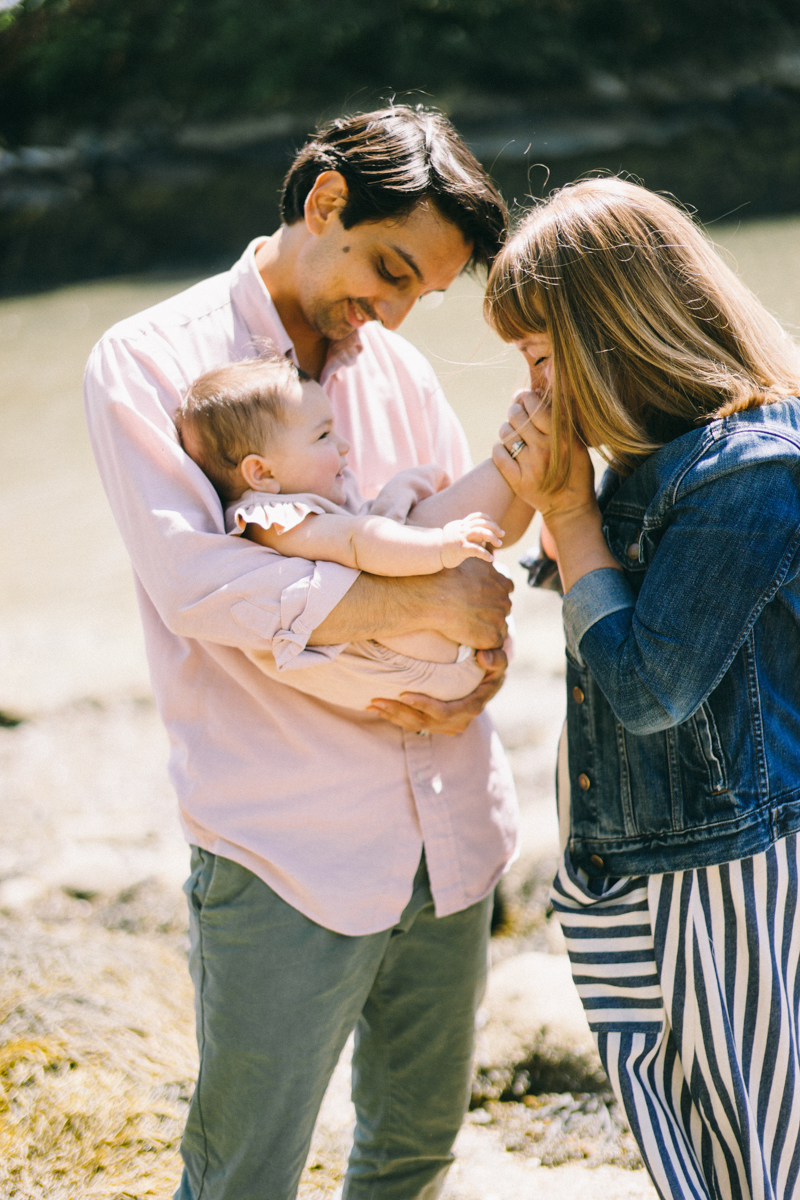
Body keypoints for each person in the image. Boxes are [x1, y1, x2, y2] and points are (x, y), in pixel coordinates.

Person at [84, 105, 517, 1200]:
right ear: (324, 200)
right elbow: (200, 583)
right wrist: (424, 602)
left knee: (413, 1157)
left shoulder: (394, 373)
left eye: (422, 289)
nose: (398, 311)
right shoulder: (148, 363)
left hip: (450, 825)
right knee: (243, 1178)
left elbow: (459, 549)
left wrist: (487, 645)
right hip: (287, 841)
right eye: (388, 268)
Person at [486, 175, 800, 1200]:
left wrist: (570, 518)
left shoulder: (743, 468)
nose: (529, 389)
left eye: (538, 357)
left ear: (604, 338)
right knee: (697, 1143)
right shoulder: (654, 463)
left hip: (741, 870)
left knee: (763, 1148)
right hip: (659, 859)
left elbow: (650, 688)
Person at [176, 352, 534, 708]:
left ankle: (530, 468)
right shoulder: (272, 519)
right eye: (323, 436)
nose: (343, 446)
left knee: (413, 512)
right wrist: (441, 544)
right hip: (416, 659)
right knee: (410, 523)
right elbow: (357, 541)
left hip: (430, 660)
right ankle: (525, 452)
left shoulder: (292, 511)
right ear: (262, 474)